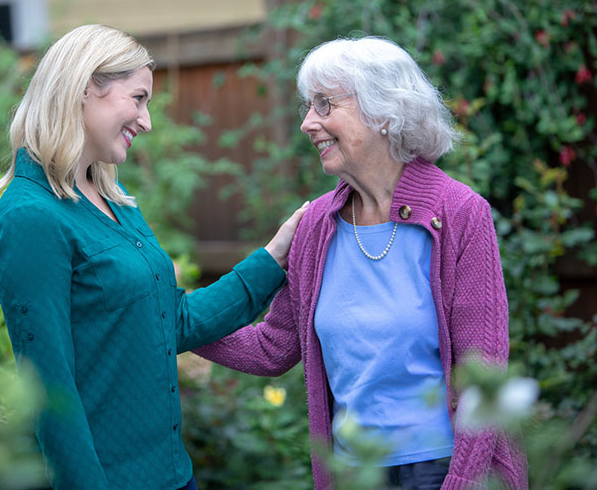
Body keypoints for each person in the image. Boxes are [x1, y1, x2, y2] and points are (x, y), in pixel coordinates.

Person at [194, 36, 528, 490]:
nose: (308, 123)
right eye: (307, 107)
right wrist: (172, 321)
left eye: (325, 105)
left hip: (441, 468)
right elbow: (272, 348)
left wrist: (461, 484)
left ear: (385, 113)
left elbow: (481, 376)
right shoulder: (316, 226)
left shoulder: (458, 213)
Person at [0, 24, 308, 490]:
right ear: (83, 89)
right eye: (138, 98)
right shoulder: (30, 219)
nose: (146, 120)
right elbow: (48, 390)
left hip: (173, 475)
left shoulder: (113, 200)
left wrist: (273, 259)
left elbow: (168, 322)